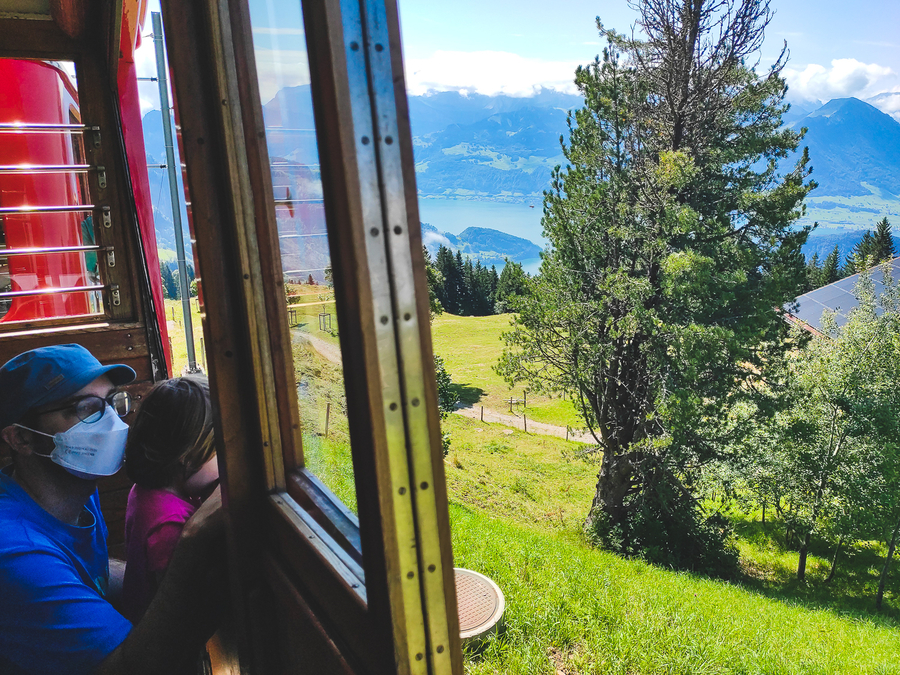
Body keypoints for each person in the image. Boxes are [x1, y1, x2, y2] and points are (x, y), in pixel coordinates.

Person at [0, 344, 225, 675]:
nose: (109, 420)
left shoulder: (75, 493)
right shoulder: (18, 552)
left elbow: (91, 574)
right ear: (21, 439)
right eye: (85, 408)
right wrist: (192, 541)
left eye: (110, 402)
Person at [122, 376, 219, 622]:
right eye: (221, 452)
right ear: (186, 454)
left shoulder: (144, 490)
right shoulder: (169, 525)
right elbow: (181, 608)